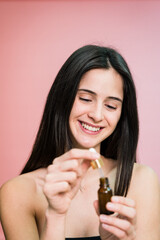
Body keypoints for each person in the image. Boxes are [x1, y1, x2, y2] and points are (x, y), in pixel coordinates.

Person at [0, 45, 159, 240]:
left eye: (110, 105)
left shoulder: (142, 181)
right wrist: (56, 216)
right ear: (62, 98)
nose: (97, 115)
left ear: (121, 115)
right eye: (85, 98)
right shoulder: (18, 193)